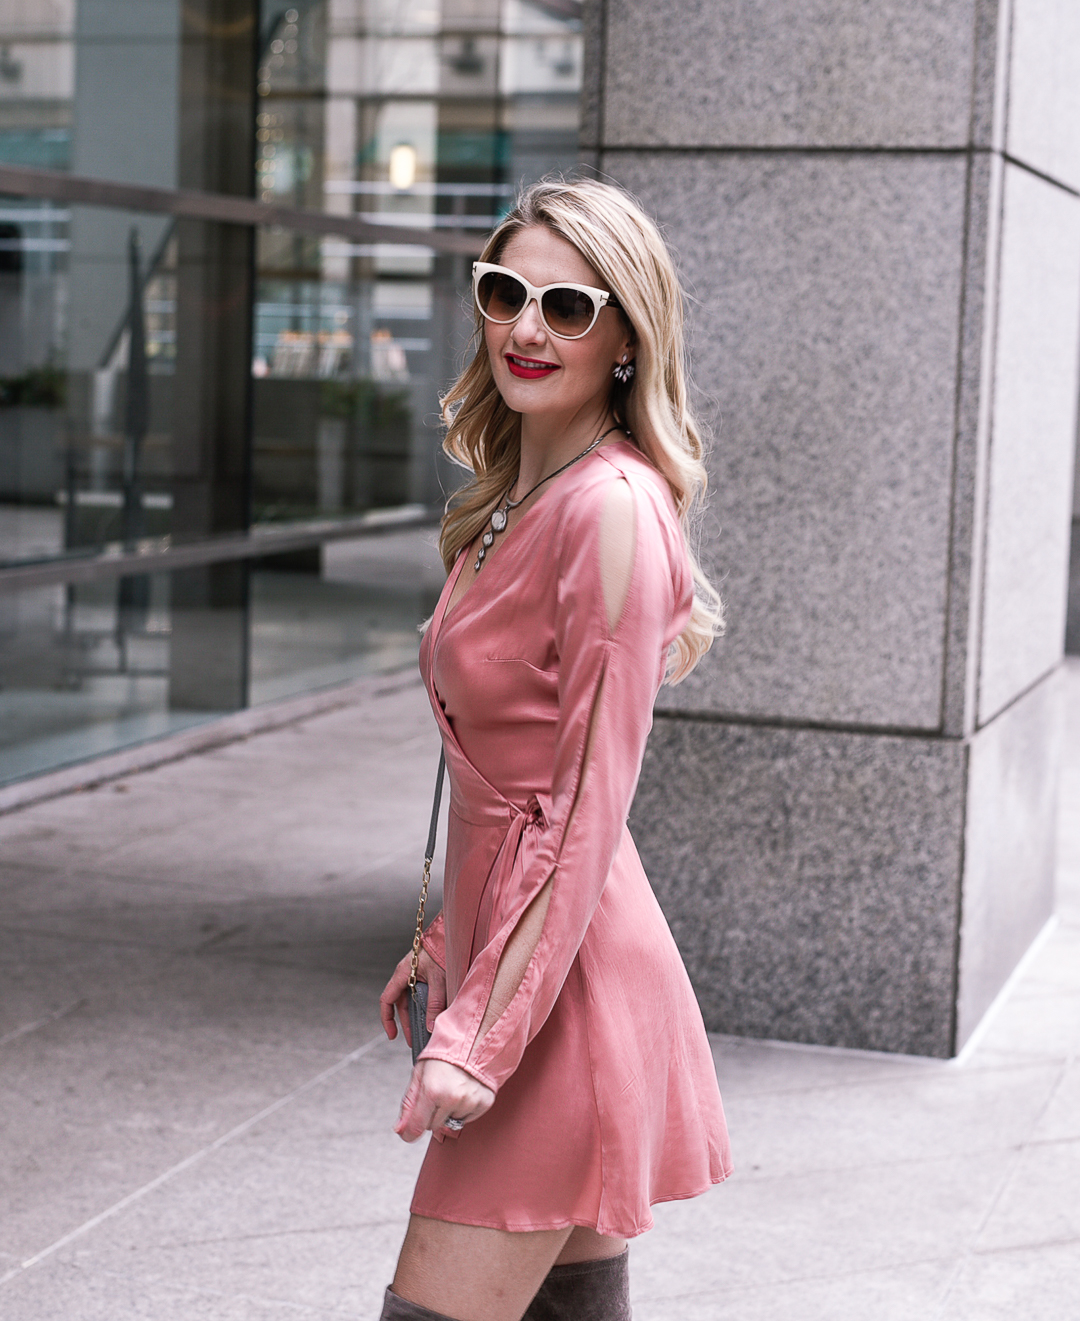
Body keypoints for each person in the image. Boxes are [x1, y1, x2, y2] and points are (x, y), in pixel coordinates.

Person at [378, 178, 732, 1321]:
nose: (528, 328)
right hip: (520, 970)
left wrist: (479, 1033)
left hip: (559, 1003)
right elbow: (500, 775)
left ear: (627, 334)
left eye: (570, 307)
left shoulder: (610, 512)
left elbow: (585, 807)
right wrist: (445, 940)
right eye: (506, 294)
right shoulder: (512, 501)